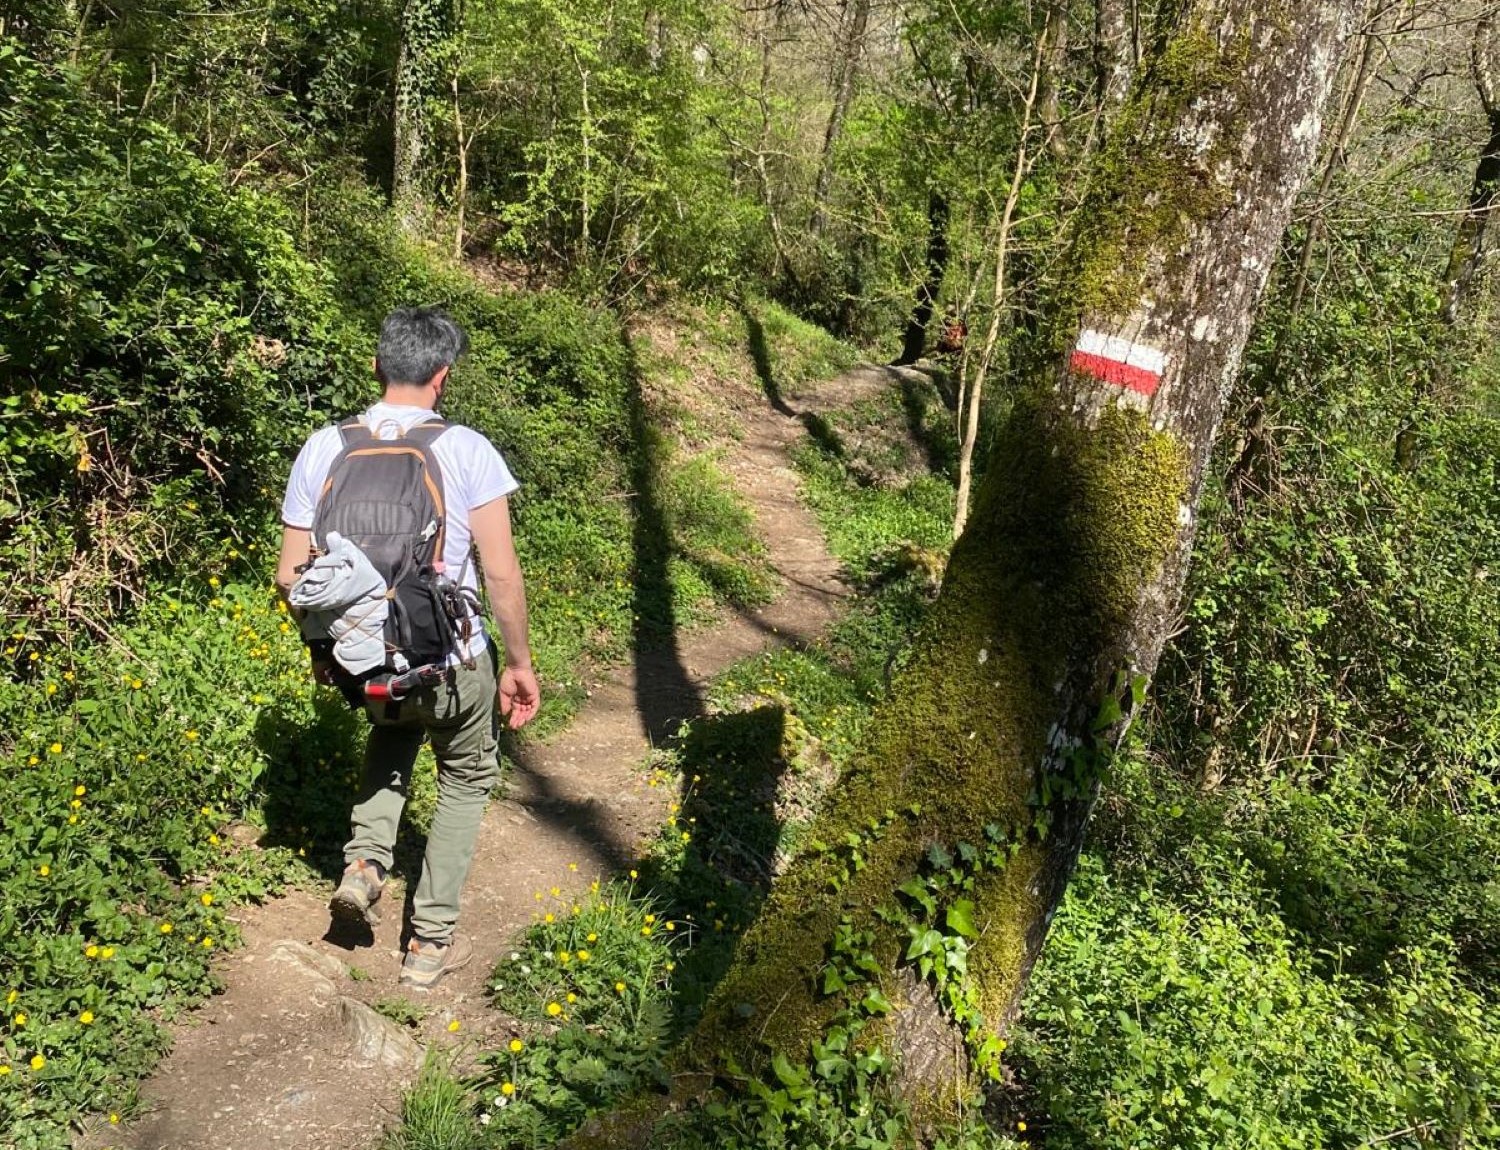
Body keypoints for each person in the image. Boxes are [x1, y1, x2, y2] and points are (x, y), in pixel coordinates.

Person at [275, 306, 540, 989]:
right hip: (450, 659)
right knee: (466, 778)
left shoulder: (324, 447)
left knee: (392, 733)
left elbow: (290, 576)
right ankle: (428, 941)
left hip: (365, 662)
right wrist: (517, 663)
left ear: (377, 366)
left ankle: (364, 865)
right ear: (443, 376)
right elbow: (501, 573)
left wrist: (327, 650)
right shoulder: (466, 449)